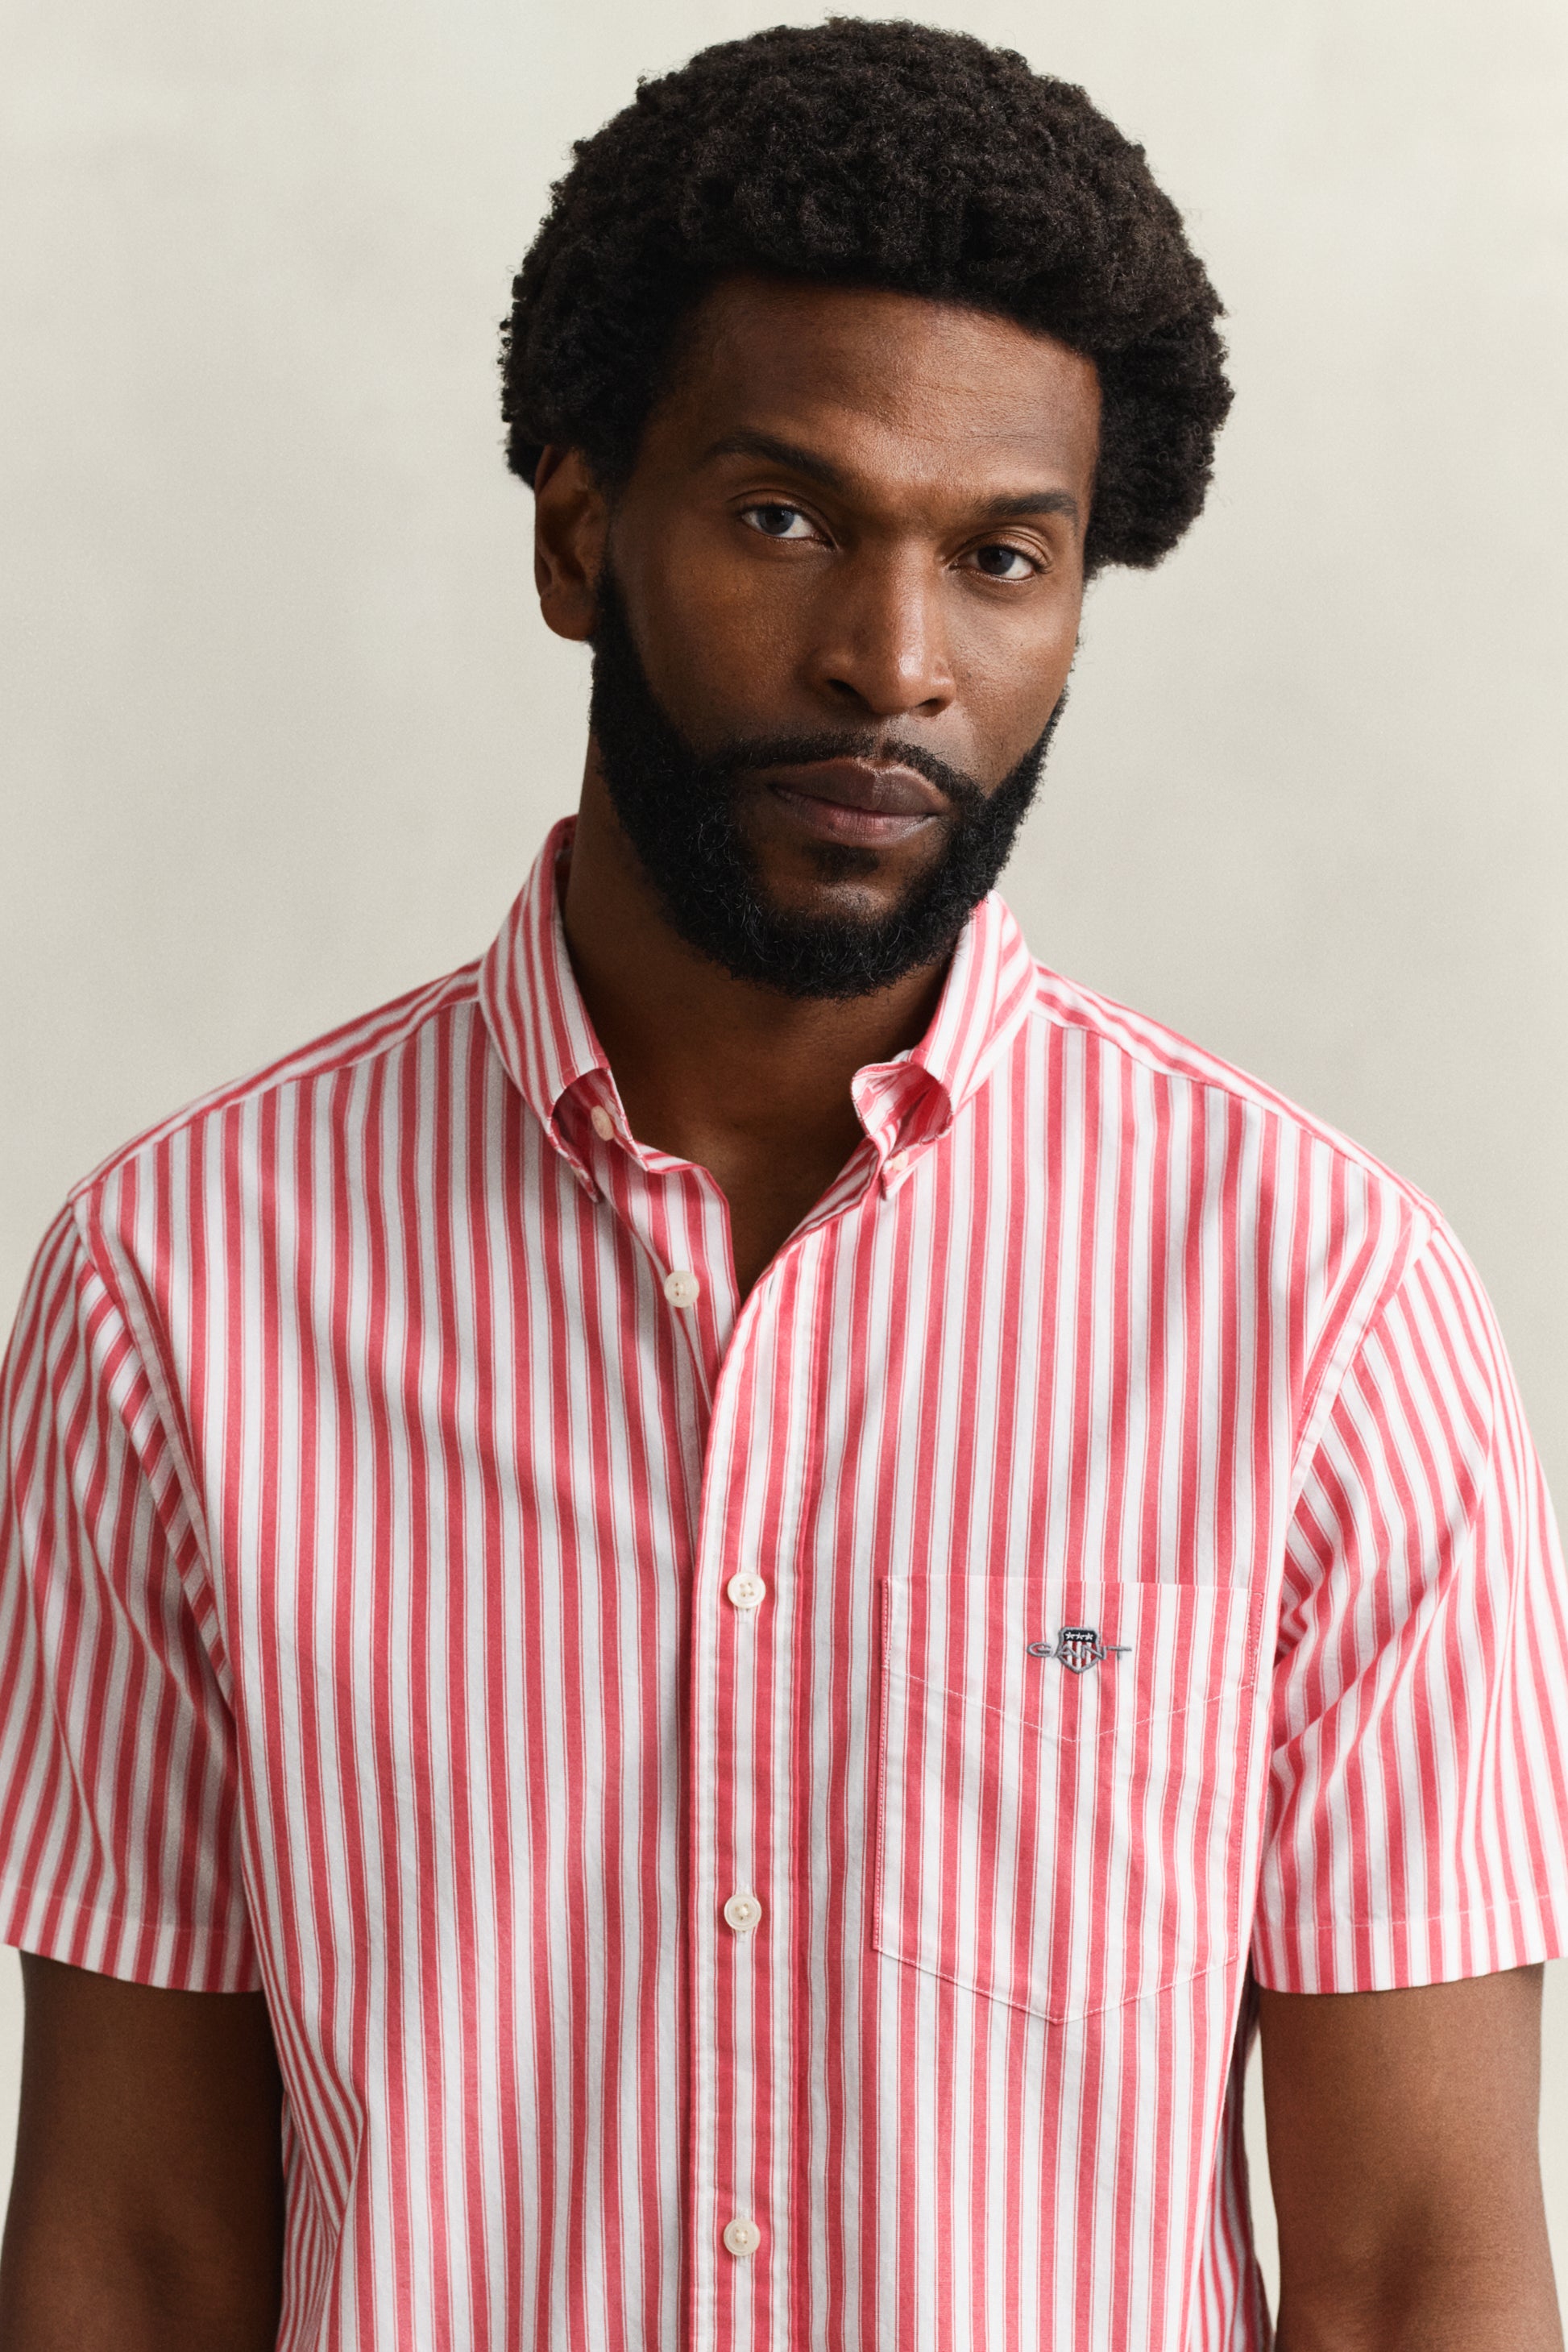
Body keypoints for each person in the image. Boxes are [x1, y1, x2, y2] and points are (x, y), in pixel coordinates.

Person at [0, 17, 1562, 2349]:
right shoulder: (183, 1290)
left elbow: (1421, 2266)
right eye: (784, 519)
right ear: (577, 532)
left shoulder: (1323, 1308)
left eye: (1001, 557)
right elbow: (135, 2252)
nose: (891, 662)